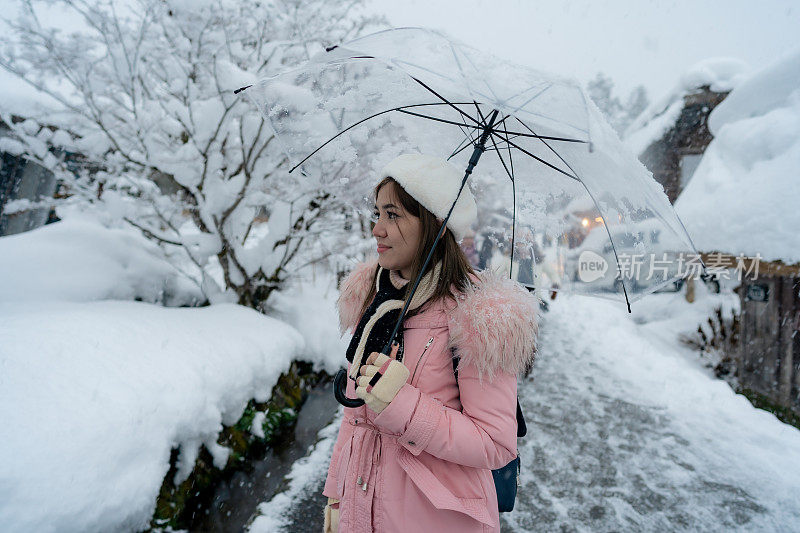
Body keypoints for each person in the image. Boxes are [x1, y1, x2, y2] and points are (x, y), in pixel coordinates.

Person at [322, 153, 540, 533]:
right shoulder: (375, 299)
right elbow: (355, 417)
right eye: (377, 214)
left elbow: (495, 443)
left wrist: (400, 404)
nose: (377, 229)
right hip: (363, 511)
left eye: (393, 215)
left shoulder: (478, 315)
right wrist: (337, 496)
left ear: (434, 225)